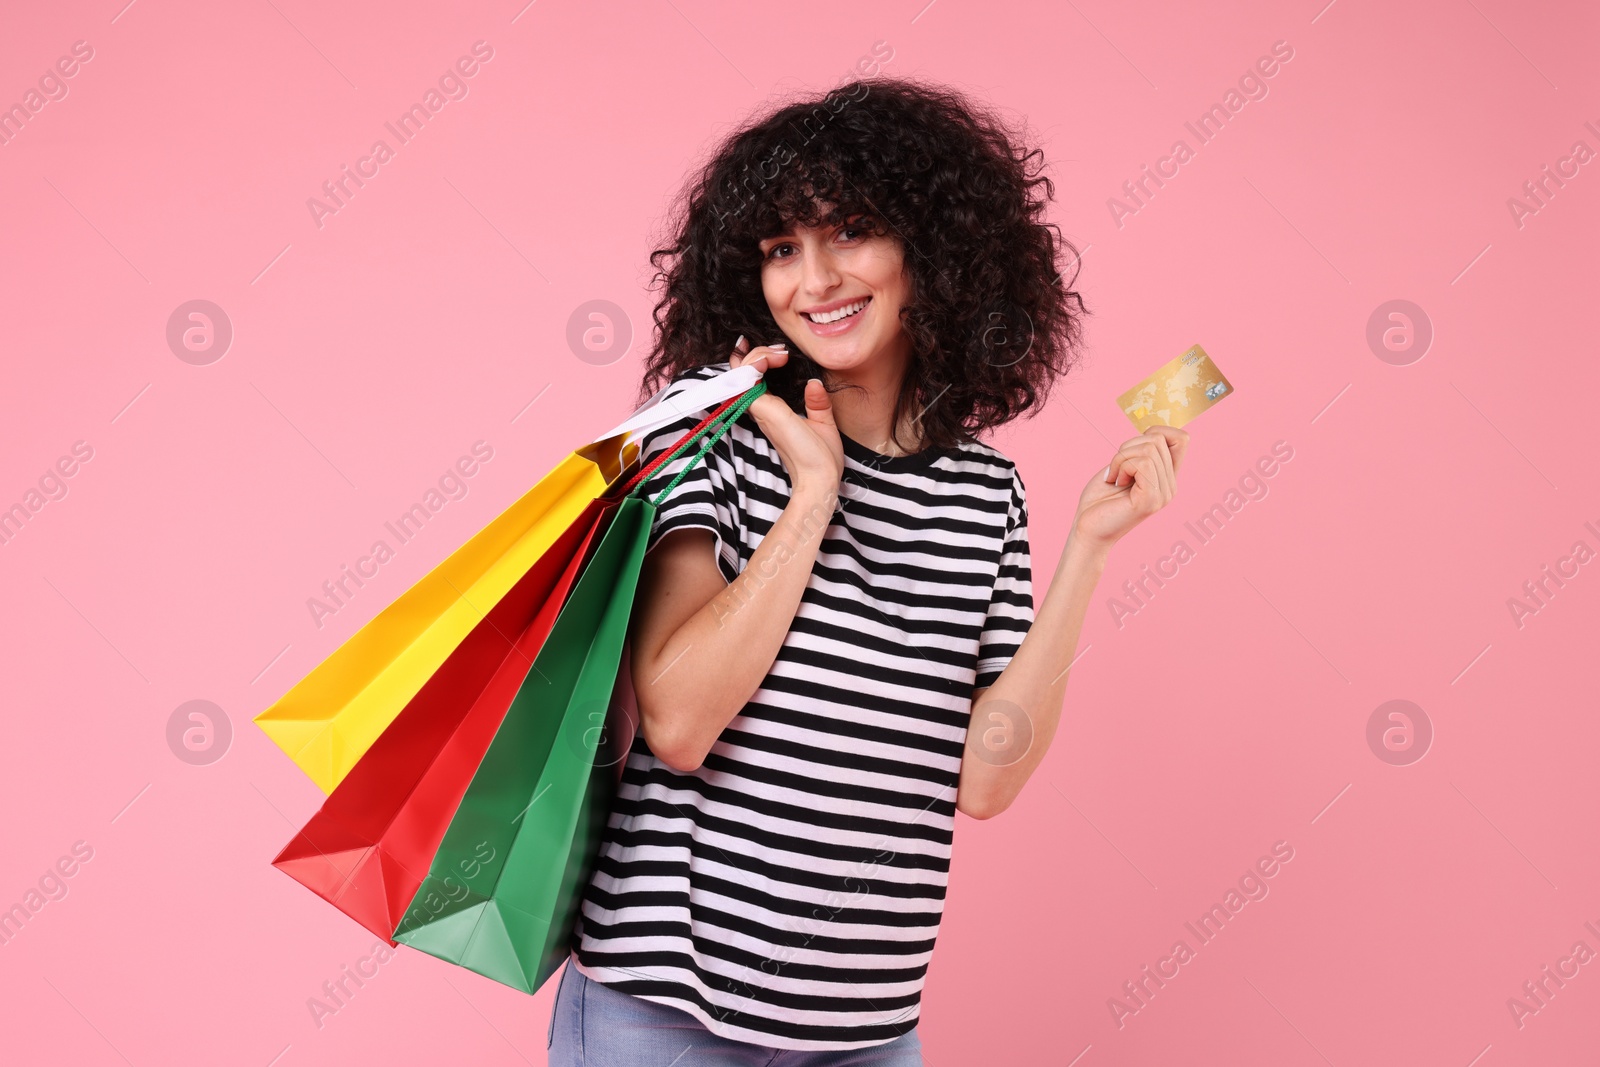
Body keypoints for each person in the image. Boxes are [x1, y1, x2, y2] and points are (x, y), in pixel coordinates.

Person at [548, 76, 1188, 1065]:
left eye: (849, 231)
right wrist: (811, 495)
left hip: (865, 1025)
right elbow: (677, 724)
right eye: (778, 250)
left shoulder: (987, 493)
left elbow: (982, 778)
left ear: (929, 250)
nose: (813, 280)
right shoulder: (712, 439)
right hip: (672, 1007)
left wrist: (1087, 549)